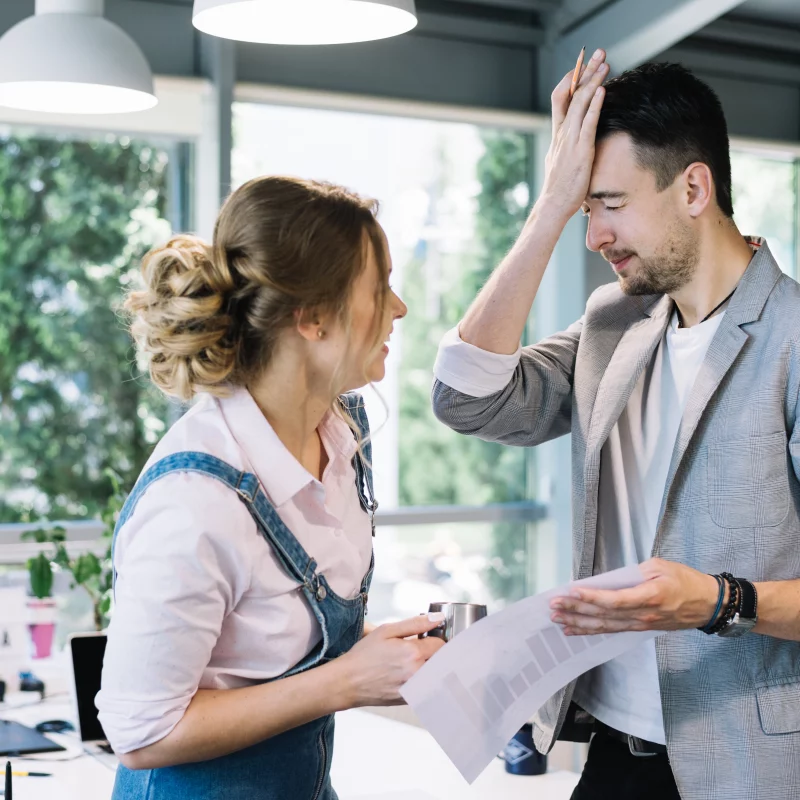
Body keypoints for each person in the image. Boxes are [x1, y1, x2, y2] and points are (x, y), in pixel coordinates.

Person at [431, 52, 800, 799]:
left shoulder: (793, 339)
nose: (594, 232)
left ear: (694, 187)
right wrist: (547, 210)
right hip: (611, 752)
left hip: (746, 766)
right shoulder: (614, 322)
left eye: (610, 202)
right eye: (583, 206)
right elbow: (466, 398)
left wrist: (720, 600)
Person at [97, 175, 445, 800]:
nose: (399, 308)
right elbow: (140, 731)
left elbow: (265, 649)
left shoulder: (342, 431)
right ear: (311, 318)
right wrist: (346, 682)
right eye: (380, 287)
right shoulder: (194, 503)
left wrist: (380, 653)